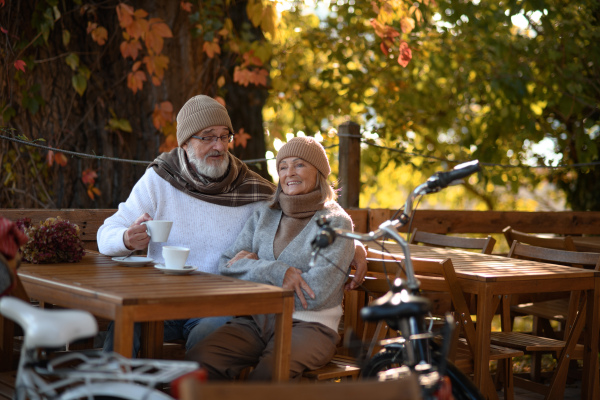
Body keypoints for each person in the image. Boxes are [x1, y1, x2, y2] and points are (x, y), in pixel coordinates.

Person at [97, 95, 367, 356]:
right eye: (208, 137)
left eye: (224, 136)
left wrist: (353, 244)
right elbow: (106, 234)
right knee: (124, 325)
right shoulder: (159, 181)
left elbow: (313, 202)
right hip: (160, 302)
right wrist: (126, 239)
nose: (219, 146)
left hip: (218, 307)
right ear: (185, 144)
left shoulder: (250, 188)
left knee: (210, 342)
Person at [186, 136, 356, 380]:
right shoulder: (265, 214)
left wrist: (251, 269)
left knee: (266, 378)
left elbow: (315, 294)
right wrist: (277, 272)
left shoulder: (335, 223)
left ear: (318, 172)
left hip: (310, 327)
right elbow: (226, 265)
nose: (290, 173)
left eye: (299, 164)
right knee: (198, 362)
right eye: (283, 167)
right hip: (256, 321)